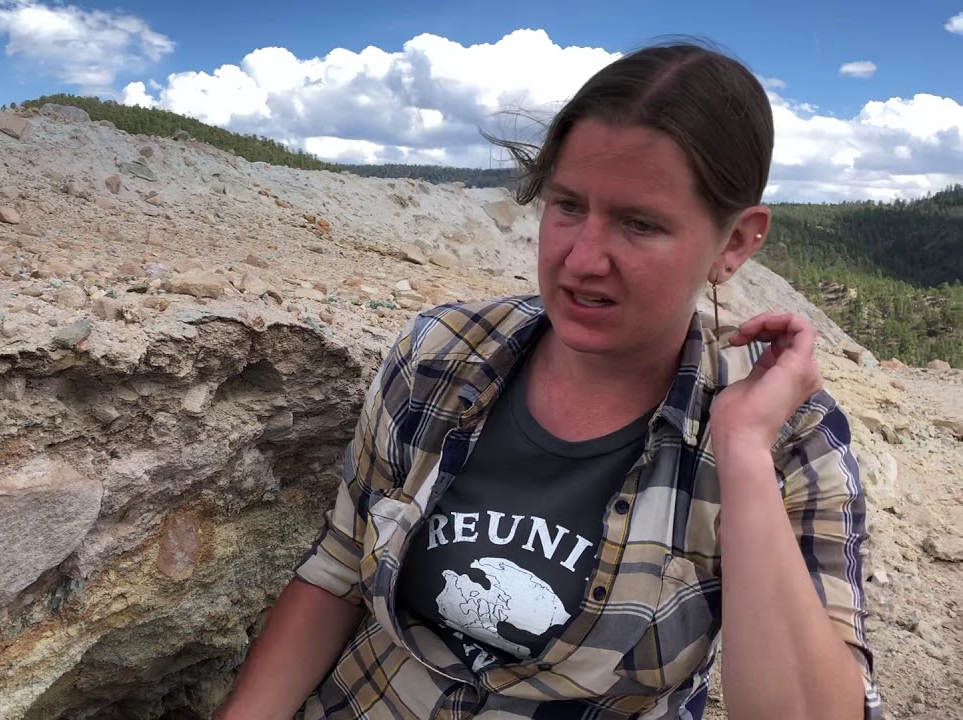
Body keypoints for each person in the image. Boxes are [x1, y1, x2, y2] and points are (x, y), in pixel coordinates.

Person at [216, 39, 883, 720]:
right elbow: (336, 574)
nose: (583, 258)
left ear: (736, 242)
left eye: (640, 224)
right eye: (567, 205)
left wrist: (741, 450)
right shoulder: (440, 355)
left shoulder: (791, 436)